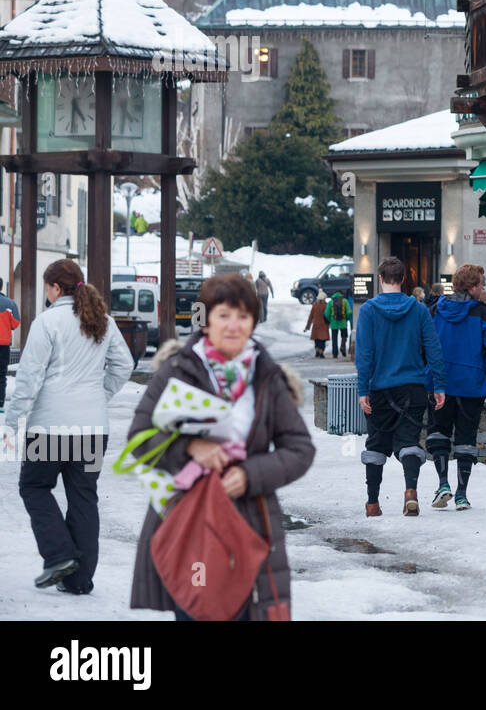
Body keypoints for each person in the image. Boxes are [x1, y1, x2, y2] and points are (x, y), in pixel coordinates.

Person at [128, 274, 316, 619]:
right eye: (224, 315)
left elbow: (301, 448)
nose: (233, 326)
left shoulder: (267, 377)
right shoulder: (178, 370)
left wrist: (250, 473)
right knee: (196, 605)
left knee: (244, 609)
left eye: (243, 317)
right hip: (189, 519)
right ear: (207, 318)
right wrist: (189, 448)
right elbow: (139, 438)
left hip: (249, 522)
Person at [4, 261, 132, 593]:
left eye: (47, 287)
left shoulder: (47, 322)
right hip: (92, 432)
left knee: (34, 487)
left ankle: (59, 555)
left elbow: (29, 378)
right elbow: (124, 364)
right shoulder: (102, 321)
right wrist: (100, 395)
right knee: (83, 498)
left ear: (56, 288)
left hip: (49, 429)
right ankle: (79, 581)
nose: (46, 293)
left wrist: (10, 422)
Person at [355, 257, 444, 517]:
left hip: (379, 389)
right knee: (409, 443)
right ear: (404, 279)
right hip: (412, 388)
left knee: (375, 445)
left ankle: (372, 503)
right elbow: (433, 349)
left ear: (380, 278)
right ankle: (411, 492)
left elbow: (364, 355)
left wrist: (363, 390)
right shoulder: (418, 310)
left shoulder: (369, 311)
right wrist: (439, 384)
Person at [427, 263, 486, 510]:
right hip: (471, 384)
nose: (483, 287)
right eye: (481, 283)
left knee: (439, 432)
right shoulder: (483, 312)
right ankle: (461, 494)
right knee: (466, 437)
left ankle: (443, 483)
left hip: (440, 383)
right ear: (472, 287)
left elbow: (427, 344)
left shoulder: (436, 309)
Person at [0, 277, 20, 411]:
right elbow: (15, 323)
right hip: (3, 344)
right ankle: (0, 402)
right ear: (1, 287)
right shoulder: (9, 304)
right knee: (1, 374)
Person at [325, 290, 351, 359]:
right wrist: (346, 319)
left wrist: (330, 320)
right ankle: (343, 347)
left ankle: (335, 353)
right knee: (344, 336)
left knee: (334, 338)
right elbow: (349, 312)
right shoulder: (345, 301)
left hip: (334, 323)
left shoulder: (331, 302)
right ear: (341, 294)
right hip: (343, 322)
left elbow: (326, 313)